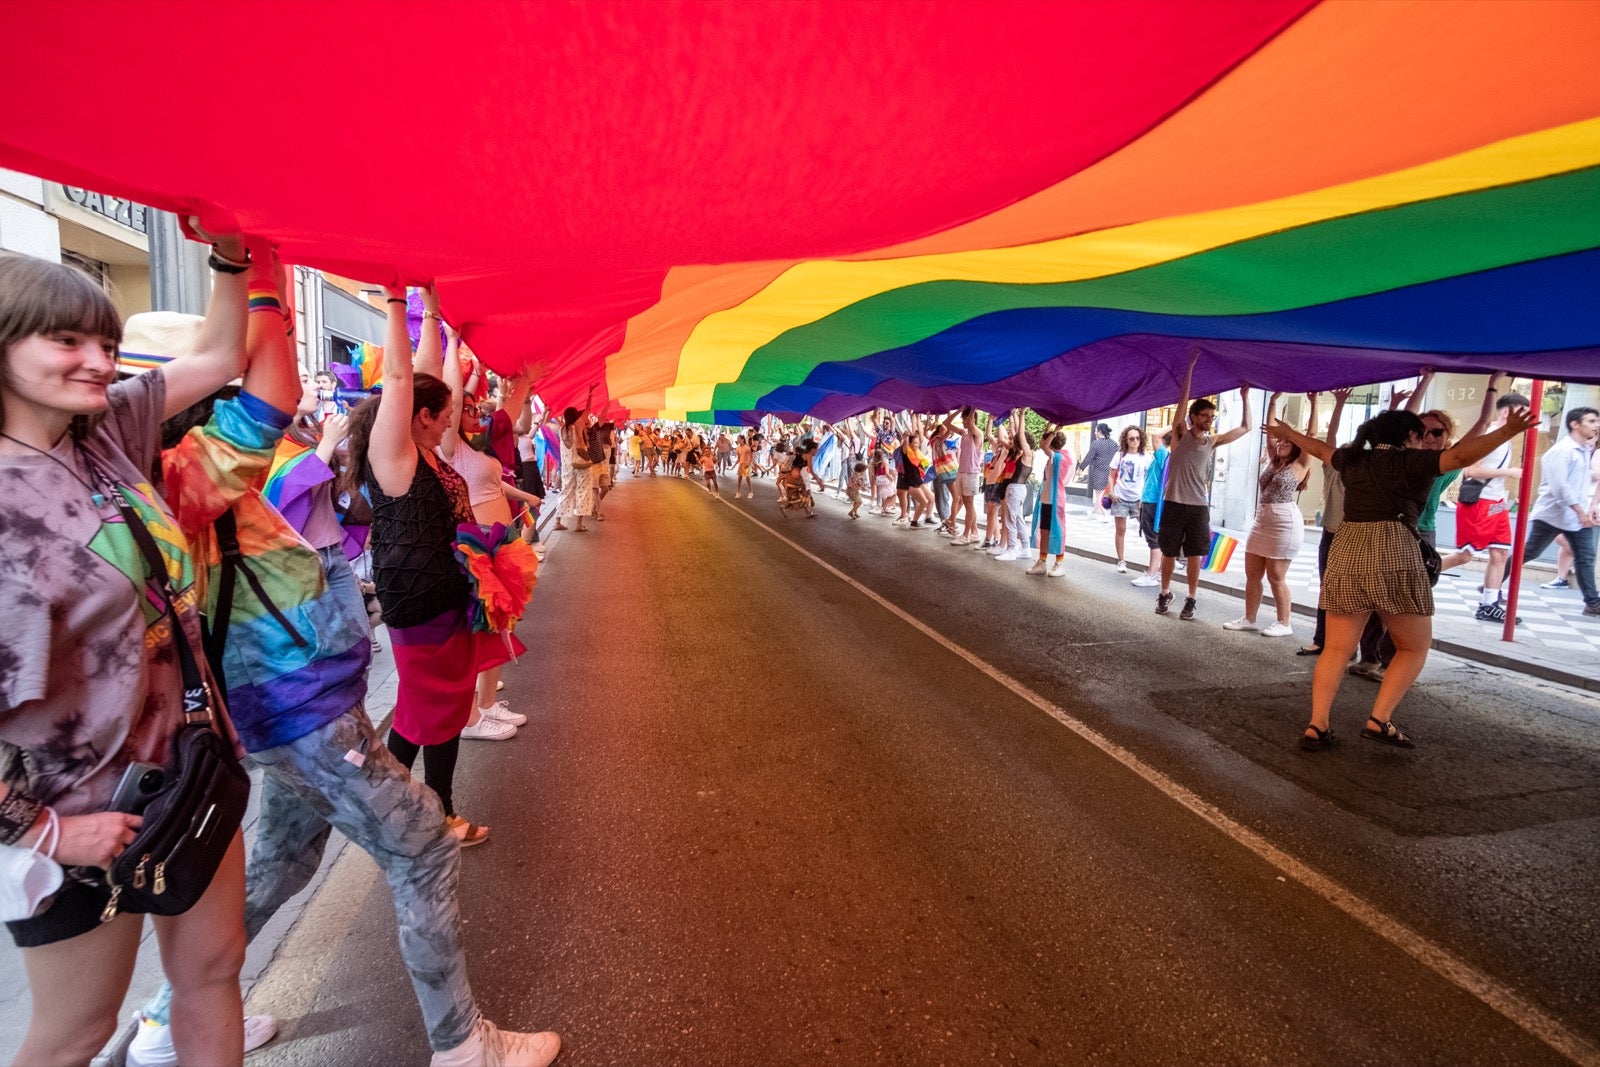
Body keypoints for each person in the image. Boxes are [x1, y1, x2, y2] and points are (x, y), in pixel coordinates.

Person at [127, 259, 559, 1067]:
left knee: (282, 864)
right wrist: (255, 268)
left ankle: (162, 1023)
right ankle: (463, 1045)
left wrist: (260, 270)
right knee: (423, 843)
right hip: (300, 709)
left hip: (286, 708)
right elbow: (311, 391)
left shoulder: (173, 476)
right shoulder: (190, 477)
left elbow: (368, 390)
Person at [0, 238, 252, 1066]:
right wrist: (45, 833)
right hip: (75, 813)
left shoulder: (104, 430)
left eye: (107, 343)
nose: (99, 362)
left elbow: (220, 356)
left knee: (214, 971)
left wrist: (232, 259)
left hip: (188, 772)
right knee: (76, 1033)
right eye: (66, 340)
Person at [345, 286, 520, 847]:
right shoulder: (393, 455)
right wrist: (398, 302)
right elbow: (402, 377)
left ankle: (410, 808)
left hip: (446, 597)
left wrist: (438, 320)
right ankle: (417, 812)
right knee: (429, 711)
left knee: (438, 707)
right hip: (419, 604)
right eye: (444, 416)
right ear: (421, 417)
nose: (451, 424)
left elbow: (423, 376)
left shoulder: (425, 451)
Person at [1264, 403, 1535, 751]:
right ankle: (1379, 719)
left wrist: (1289, 433)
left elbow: (1319, 449)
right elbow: (1461, 456)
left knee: (1336, 648)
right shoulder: (1412, 461)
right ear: (1409, 436)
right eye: (1422, 435)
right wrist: (1507, 431)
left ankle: (1317, 725)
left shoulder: (1354, 459)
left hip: (1346, 548)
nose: (1425, 441)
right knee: (1413, 646)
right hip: (1393, 548)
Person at [437, 341, 538, 740]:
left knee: (500, 626)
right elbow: (453, 396)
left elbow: (508, 416)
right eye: (465, 408)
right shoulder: (449, 448)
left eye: (475, 408)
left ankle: (488, 703)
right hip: (474, 549)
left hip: (499, 546)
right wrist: (454, 344)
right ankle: (472, 717)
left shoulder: (480, 446)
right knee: (481, 631)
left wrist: (525, 381)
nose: (474, 412)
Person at [1157, 348, 1252, 621]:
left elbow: (1246, 427)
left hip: (1198, 505)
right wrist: (1190, 367)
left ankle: (1191, 598)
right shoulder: (1180, 435)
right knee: (1169, 552)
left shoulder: (1213, 441)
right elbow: (1182, 401)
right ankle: (1164, 593)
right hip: (1174, 502)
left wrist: (1245, 397)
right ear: (1193, 417)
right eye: (1205, 416)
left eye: (1212, 417)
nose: (1210, 420)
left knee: (1195, 554)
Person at [1224, 392, 1315, 638]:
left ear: (1296, 447)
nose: (1282, 444)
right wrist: (1272, 402)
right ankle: (1249, 618)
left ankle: (1284, 622)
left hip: (1284, 523)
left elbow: (1311, 437)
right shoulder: (1274, 461)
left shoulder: (1300, 465)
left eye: (1287, 442)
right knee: (1252, 574)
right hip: (1262, 520)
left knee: (1276, 575)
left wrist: (1315, 403)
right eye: (1281, 441)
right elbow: (1270, 432)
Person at [1448, 390, 1528, 624]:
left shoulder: (1506, 439)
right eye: (1522, 413)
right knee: (1464, 555)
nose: (1526, 420)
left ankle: (1489, 604)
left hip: (1496, 502)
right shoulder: (1489, 436)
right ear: (1506, 412)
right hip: (1480, 502)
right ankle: (1419, 577)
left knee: (1500, 552)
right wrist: (1508, 472)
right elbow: (1471, 470)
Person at [1520, 406, 1600, 618]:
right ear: (1575, 424)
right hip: (1553, 514)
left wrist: (1590, 507)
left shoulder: (1584, 450)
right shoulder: (1562, 451)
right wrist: (1579, 511)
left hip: (1577, 516)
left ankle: (1592, 602)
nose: (1596, 425)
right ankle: (1493, 584)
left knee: (1585, 557)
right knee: (1529, 552)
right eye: (1591, 421)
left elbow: (1581, 485)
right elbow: (1560, 487)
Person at [1027, 427, 1076, 576]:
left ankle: (1059, 563)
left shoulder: (1059, 457)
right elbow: (1044, 444)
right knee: (1044, 530)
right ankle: (1042, 562)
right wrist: (1048, 428)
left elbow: (1043, 445)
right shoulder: (1054, 457)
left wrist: (1053, 431)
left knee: (1057, 531)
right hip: (1047, 499)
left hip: (1055, 500)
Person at [1104, 426, 1150, 574]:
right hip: (1120, 498)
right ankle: (1121, 560)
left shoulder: (1146, 457)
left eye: (1137, 438)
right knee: (1120, 529)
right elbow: (1111, 475)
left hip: (1138, 499)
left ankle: (1156, 562)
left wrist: (1144, 497)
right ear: (1126, 440)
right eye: (1131, 438)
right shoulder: (1120, 455)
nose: (1135, 441)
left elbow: (1149, 478)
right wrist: (1111, 493)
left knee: (1148, 529)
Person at [1131, 430, 1170, 588]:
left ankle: (1151, 575)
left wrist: (1177, 421)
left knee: (1154, 541)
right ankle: (1157, 572)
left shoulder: (1163, 455)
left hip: (1152, 502)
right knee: (1158, 540)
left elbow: (1155, 435)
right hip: (1151, 501)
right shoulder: (1165, 456)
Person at [553, 388, 596, 531]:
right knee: (583, 491)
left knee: (565, 491)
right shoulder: (577, 427)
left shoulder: (561, 429)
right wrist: (590, 394)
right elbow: (588, 410)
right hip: (581, 464)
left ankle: (557, 521)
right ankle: (579, 524)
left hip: (567, 466)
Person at [996, 412, 1035, 562]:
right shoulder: (1029, 455)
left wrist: (1022, 414)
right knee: (1018, 519)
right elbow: (1019, 433)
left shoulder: (1026, 454)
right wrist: (1014, 416)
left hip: (1015, 488)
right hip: (1019, 488)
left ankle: (1011, 550)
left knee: (1010, 520)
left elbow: (1020, 433)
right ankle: (1025, 548)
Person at [944, 407, 984, 546]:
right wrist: (960, 410)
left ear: (972, 419)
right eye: (963, 419)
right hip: (962, 472)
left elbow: (971, 423)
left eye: (966, 419)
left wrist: (972, 408)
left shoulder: (977, 434)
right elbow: (946, 423)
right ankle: (974, 532)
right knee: (967, 504)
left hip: (971, 473)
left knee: (969, 504)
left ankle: (966, 535)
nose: (964, 421)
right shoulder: (964, 433)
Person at [1082, 423, 1118, 524]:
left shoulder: (1096, 443)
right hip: (1109, 471)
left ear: (1100, 431)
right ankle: (1094, 511)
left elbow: (1089, 457)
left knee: (1099, 494)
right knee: (1100, 494)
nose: (1095, 432)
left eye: (1095, 430)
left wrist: (1081, 467)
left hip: (1098, 471)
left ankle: (1105, 513)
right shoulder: (1114, 444)